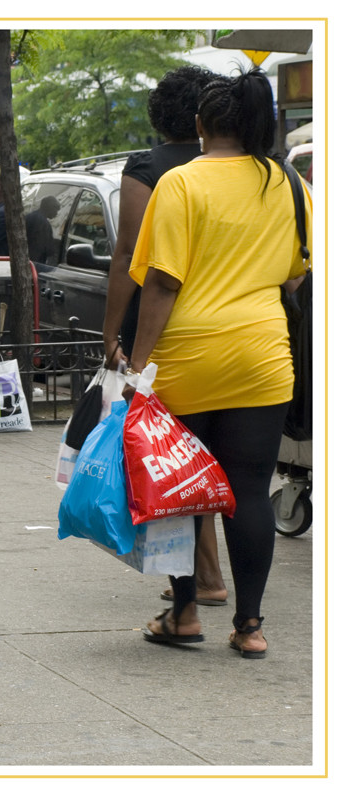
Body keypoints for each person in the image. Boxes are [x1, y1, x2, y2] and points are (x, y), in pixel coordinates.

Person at [126, 70, 311, 659]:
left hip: (188, 358)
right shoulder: (286, 182)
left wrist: (136, 367)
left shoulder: (180, 184)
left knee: (183, 492)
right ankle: (250, 626)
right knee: (251, 493)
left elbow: (161, 282)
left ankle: (182, 614)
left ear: (201, 126)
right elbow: (296, 272)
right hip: (262, 358)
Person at [101, 65, 229, 608]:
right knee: (216, 452)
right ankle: (214, 577)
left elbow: (130, 256)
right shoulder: (247, 167)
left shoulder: (150, 167)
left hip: (163, 326)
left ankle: (203, 581)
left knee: (171, 453)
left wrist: (111, 334)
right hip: (233, 326)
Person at [24, 196, 60, 265]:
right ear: (50, 208)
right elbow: (40, 249)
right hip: (33, 265)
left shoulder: (30, 216)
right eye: (56, 210)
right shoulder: (43, 224)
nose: (56, 214)